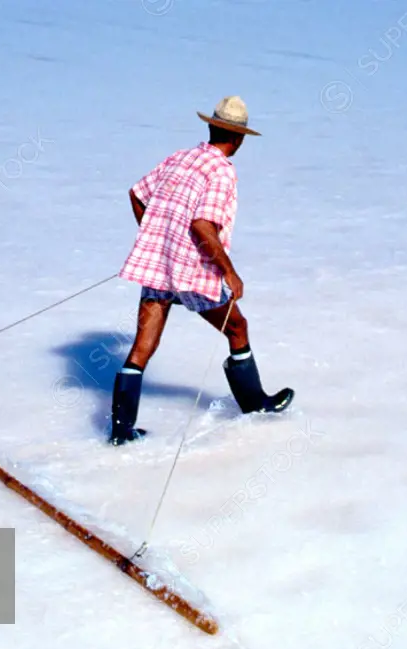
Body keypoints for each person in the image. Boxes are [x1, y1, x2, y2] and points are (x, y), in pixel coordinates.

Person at [109, 96, 294, 446]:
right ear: (238, 138)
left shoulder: (180, 157)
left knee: (142, 348)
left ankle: (120, 431)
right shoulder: (222, 170)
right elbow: (203, 225)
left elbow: (136, 194)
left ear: (211, 127)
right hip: (193, 272)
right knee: (237, 327)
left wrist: (155, 238)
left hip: (159, 267)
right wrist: (230, 273)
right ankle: (256, 407)